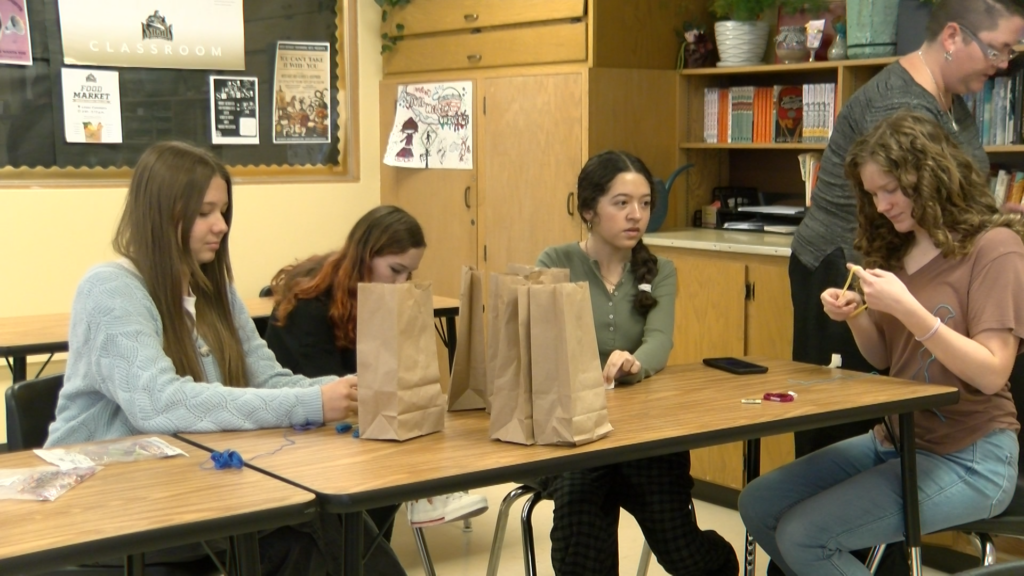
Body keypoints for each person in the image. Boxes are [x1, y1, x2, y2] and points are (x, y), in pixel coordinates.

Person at [46, 141, 405, 575]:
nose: (220, 225)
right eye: (203, 213)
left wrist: (344, 391)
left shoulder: (214, 289)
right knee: (309, 536)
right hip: (105, 506)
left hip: (190, 491)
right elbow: (158, 403)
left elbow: (268, 380)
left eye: (223, 211)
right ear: (159, 214)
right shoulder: (110, 289)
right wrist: (313, 403)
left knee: (326, 525)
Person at [739, 110, 1024, 576]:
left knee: (804, 537)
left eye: (891, 190)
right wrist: (857, 318)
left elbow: (993, 371)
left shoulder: (994, 248)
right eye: (873, 194)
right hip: (898, 439)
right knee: (758, 503)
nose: (883, 205)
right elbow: (888, 359)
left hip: (973, 456)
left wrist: (908, 307)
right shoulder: (899, 246)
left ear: (929, 174)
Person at [788, 0, 1024, 465]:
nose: (1003, 65)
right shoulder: (898, 107)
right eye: (997, 50)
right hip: (854, 265)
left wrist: (999, 216)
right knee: (850, 427)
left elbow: (951, 195)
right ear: (954, 37)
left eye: (1011, 53)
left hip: (912, 269)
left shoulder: (951, 102)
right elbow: (914, 204)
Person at [536, 150, 738, 576]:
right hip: (577, 435)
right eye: (622, 203)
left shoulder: (659, 269)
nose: (636, 215)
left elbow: (659, 340)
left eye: (645, 203)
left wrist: (635, 364)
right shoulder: (554, 263)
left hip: (644, 434)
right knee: (581, 533)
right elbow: (544, 347)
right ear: (589, 208)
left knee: (684, 550)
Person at [264, 205, 489, 532]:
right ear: (364, 256)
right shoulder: (309, 307)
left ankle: (407, 508)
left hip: (353, 425)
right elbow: (326, 394)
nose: (401, 284)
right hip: (302, 428)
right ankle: (419, 497)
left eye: (408, 274)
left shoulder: (378, 300)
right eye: (395, 270)